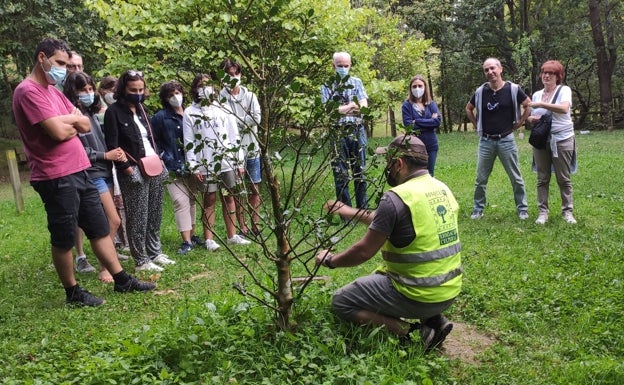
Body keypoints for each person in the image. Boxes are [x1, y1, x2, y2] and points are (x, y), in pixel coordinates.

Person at [12, 38, 155, 306]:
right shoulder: (27, 91)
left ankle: (121, 280)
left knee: (100, 228)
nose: (64, 70)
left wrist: (69, 122)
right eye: (59, 64)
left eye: (66, 65)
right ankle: (73, 293)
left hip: (81, 170)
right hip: (55, 175)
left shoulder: (53, 93)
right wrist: (68, 123)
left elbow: (84, 124)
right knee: (64, 235)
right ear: (41, 57)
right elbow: (57, 131)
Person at [316, 134, 462, 351]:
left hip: (417, 294)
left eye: (388, 163)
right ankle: (435, 320)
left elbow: (364, 252)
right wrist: (347, 210)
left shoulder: (395, 197)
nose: (387, 169)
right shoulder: (441, 189)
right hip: (448, 291)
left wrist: (330, 260)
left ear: (399, 164)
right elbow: (388, 220)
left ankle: (417, 334)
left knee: (341, 301)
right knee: (380, 275)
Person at [104, 69, 175, 272]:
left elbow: (151, 137)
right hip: (133, 169)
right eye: (133, 89)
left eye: (141, 89)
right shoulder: (113, 112)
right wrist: (126, 169)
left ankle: (154, 252)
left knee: (154, 212)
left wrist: (160, 160)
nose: (137, 93)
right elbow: (113, 145)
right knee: (137, 216)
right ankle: (141, 260)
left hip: (154, 165)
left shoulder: (143, 109)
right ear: (123, 89)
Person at [63, 71, 127, 282]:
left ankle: (107, 263)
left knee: (109, 220)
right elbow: (80, 151)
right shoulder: (74, 116)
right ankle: (104, 267)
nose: (89, 93)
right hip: (92, 174)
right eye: (83, 90)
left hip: (105, 171)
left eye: (91, 89)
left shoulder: (91, 113)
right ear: (74, 92)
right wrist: (104, 155)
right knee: (113, 220)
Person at [183, 73, 251, 251]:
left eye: (209, 85)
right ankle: (209, 239)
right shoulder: (190, 112)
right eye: (201, 85)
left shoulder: (223, 108)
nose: (206, 88)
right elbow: (189, 141)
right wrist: (193, 165)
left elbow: (234, 135)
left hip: (227, 160)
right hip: (205, 162)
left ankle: (232, 235)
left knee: (230, 196)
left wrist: (239, 161)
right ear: (195, 89)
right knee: (209, 198)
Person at [465, 57, 530, 220]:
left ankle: (522, 209)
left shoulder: (513, 89)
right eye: (486, 70)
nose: (490, 72)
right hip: (486, 141)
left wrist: (520, 122)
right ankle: (477, 209)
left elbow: (528, 104)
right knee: (481, 179)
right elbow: (468, 108)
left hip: (506, 140)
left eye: (493, 68)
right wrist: (476, 124)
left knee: (516, 177)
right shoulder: (481, 91)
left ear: (500, 69)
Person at [152, 80, 205, 254]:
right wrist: (162, 156)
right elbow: (154, 141)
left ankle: (193, 234)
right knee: (179, 201)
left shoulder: (191, 113)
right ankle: (186, 241)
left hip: (192, 163)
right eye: (170, 95)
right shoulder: (160, 117)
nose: (176, 97)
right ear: (165, 98)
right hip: (172, 165)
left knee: (192, 199)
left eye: (177, 92)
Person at [528, 60, 577, 225]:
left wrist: (542, 104)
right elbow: (534, 116)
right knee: (542, 178)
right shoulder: (536, 94)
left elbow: (564, 109)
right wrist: (531, 119)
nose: (547, 76)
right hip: (542, 140)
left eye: (551, 73)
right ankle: (543, 212)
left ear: (558, 76)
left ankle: (567, 212)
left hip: (562, 139)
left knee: (563, 178)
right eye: (544, 72)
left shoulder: (564, 90)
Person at [320, 51, 369, 211]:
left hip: (357, 130)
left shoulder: (357, 82)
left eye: (346, 66)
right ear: (333, 65)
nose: (343, 68)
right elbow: (329, 111)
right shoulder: (327, 85)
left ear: (350, 65)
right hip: (337, 132)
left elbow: (363, 108)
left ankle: (363, 209)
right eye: (340, 66)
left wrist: (341, 109)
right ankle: (346, 212)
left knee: (360, 172)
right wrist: (351, 106)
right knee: (340, 175)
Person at [220, 59, 262, 237]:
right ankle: (242, 226)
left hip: (252, 148)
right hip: (231, 152)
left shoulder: (251, 96)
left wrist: (234, 123)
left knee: (254, 188)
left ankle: (256, 225)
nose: (234, 77)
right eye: (229, 75)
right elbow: (222, 123)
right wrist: (241, 121)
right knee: (237, 190)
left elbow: (256, 119)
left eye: (236, 74)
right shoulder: (220, 98)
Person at [401, 75, 441, 176]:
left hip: (431, 145)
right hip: (415, 146)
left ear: (425, 87)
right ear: (410, 89)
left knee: (429, 174)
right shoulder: (407, 106)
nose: (417, 88)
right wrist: (429, 121)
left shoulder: (431, 104)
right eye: (414, 86)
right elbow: (409, 126)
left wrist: (417, 121)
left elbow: (437, 122)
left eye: (420, 86)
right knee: (416, 174)